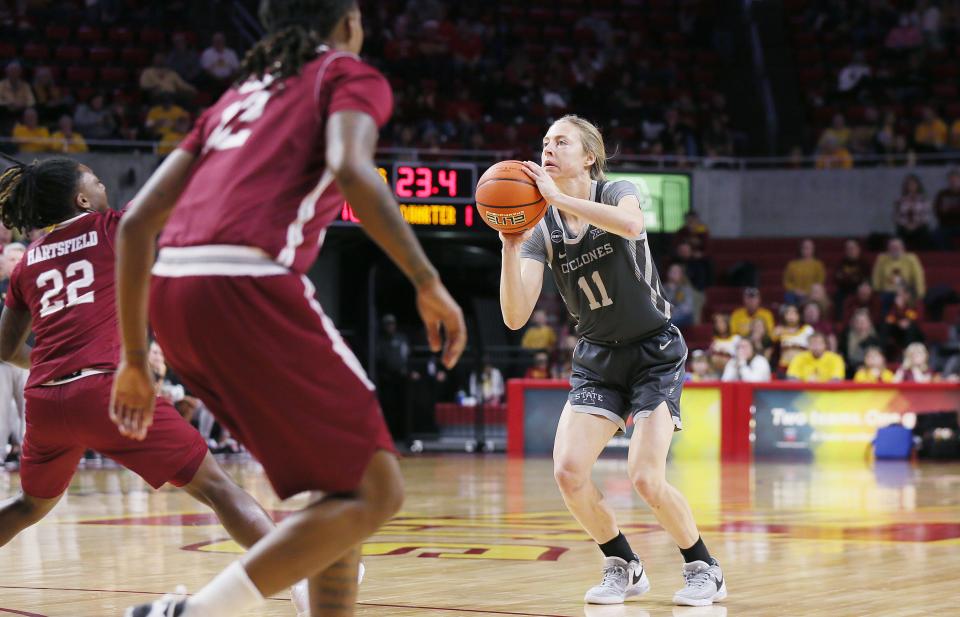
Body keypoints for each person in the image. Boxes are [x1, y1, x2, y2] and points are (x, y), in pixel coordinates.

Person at [112, 2, 466, 616]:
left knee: (341, 490)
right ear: (352, 19)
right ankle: (193, 614)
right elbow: (352, 168)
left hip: (173, 290)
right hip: (245, 279)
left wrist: (136, 360)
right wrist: (427, 278)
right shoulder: (347, 74)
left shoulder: (235, 98)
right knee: (377, 490)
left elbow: (138, 223)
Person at [0, 158, 310, 616]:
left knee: (29, 505)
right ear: (83, 199)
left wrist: (52, 363)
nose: (104, 183)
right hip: (105, 391)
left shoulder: (29, 261)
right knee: (219, 489)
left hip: (46, 401)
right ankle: (306, 582)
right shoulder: (114, 227)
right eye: (96, 179)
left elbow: (6, 348)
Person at [502, 114, 726, 607]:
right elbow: (516, 316)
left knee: (645, 476)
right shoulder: (543, 230)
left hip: (653, 352)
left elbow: (632, 224)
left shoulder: (614, 190)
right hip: (598, 357)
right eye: (545, 142)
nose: (548, 148)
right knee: (568, 470)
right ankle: (622, 562)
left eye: (561, 141)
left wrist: (557, 198)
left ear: (588, 157)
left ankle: (703, 567)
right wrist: (510, 244)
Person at [893, 174, 933, 250]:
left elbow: (926, 217)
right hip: (904, 227)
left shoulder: (924, 200)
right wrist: (906, 225)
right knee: (898, 235)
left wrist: (916, 225)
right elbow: (896, 217)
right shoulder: (900, 201)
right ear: (906, 186)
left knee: (925, 233)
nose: (911, 187)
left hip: (919, 226)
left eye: (913, 184)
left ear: (918, 186)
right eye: (909, 184)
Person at [833, 238, 870, 320]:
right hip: (844, 289)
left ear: (858, 249)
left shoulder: (864, 263)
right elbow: (837, 278)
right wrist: (852, 278)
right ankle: (840, 320)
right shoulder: (841, 262)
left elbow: (865, 279)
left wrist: (848, 278)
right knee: (838, 296)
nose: (850, 250)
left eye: (852, 248)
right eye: (848, 248)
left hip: (859, 289)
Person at [772, 304, 813, 377]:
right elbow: (772, 349)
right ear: (784, 316)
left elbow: (812, 347)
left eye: (794, 313)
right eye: (788, 313)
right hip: (784, 367)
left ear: (799, 315)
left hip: (802, 366)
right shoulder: (779, 331)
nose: (791, 316)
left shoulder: (807, 329)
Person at [783, 238, 825, 305]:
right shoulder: (792, 265)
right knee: (788, 296)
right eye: (804, 248)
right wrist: (795, 290)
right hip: (796, 294)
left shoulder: (818, 265)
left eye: (809, 248)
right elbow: (786, 281)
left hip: (812, 293)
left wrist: (808, 292)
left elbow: (820, 281)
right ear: (800, 249)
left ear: (813, 249)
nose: (806, 250)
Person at [934, 168, 960, 247]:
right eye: (951, 180)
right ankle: (946, 255)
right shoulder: (942, 194)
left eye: (955, 179)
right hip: (946, 224)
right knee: (937, 234)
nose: (953, 182)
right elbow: (937, 210)